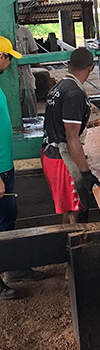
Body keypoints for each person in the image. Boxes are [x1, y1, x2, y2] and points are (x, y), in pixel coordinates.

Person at [41, 47, 100, 224]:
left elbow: (61, 122)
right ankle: (74, 248)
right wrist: (86, 172)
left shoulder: (59, 86)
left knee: (69, 209)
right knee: (75, 213)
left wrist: (89, 124)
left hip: (49, 153)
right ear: (91, 68)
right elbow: (71, 137)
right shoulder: (75, 93)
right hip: (61, 158)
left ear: (68, 64)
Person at [0, 36, 22, 300]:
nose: (8, 63)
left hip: (6, 166)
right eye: (7, 57)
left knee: (8, 217)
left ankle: (14, 266)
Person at [16, 24, 38, 119]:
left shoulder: (24, 31)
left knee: (31, 119)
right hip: (8, 84)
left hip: (26, 81)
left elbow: (35, 56)